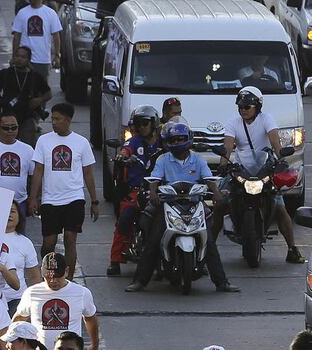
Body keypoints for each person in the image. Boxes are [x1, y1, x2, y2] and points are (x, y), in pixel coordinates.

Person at [125, 121, 240, 293]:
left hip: (194, 203)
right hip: (168, 204)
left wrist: (216, 193)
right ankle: (140, 281)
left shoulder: (198, 160)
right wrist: (154, 194)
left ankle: (222, 282)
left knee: (208, 240)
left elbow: (209, 179)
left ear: (188, 140)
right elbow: (154, 179)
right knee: (154, 240)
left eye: (181, 139)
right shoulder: (163, 160)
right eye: (174, 140)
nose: (178, 143)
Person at [218, 86, 306, 263]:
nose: (243, 110)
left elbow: (275, 143)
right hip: (240, 171)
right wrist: (223, 162)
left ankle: (292, 249)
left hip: (264, 170)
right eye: (240, 107)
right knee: (220, 204)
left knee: (280, 208)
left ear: (257, 106)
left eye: (247, 107)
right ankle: (206, 253)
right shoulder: (233, 123)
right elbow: (228, 146)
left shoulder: (267, 119)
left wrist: (281, 157)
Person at [28, 103, 97, 278]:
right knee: (48, 243)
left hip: (74, 198)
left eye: (57, 119)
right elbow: (38, 171)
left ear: (68, 120)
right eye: (52, 119)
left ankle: (69, 279)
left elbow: (88, 174)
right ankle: (49, 276)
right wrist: (33, 198)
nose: (53, 122)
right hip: (50, 200)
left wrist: (94, 201)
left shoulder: (81, 143)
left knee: (70, 239)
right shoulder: (43, 141)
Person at [106, 106, 161, 276]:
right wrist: (123, 156)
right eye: (139, 124)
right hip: (136, 191)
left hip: (161, 190)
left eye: (145, 123)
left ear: (153, 124)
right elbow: (125, 149)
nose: (142, 127)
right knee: (125, 218)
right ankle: (115, 260)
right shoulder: (135, 141)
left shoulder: (163, 142)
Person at [13, 253, 98, 350]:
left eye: (57, 276)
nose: (53, 281)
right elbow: (19, 318)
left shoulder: (82, 293)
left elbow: (90, 318)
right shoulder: (31, 293)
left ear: (66, 271)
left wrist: (95, 344)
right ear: (42, 271)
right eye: (48, 276)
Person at [0, 47, 51, 147]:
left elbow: (48, 94)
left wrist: (39, 100)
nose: (19, 59)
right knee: (7, 146)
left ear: (28, 59)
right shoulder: (5, 73)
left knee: (28, 146)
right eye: (17, 56)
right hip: (8, 116)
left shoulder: (35, 76)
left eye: (23, 57)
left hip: (28, 116)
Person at [0, 202, 39, 317]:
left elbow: (34, 276)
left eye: (13, 211)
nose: (9, 215)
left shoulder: (25, 242)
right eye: (7, 211)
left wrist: (36, 302)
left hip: (18, 299)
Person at [12, 0, 61, 82]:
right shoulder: (22, 13)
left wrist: (57, 55)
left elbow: (56, 36)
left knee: (41, 88)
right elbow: (16, 36)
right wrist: (14, 56)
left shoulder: (51, 13)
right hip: (25, 60)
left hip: (43, 59)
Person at [0, 112, 36, 211]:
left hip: (20, 203)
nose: (10, 131)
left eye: (14, 127)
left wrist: (33, 198)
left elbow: (34, 177)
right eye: (6, 128)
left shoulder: (28, 149)